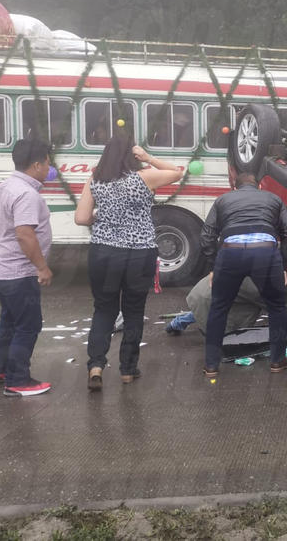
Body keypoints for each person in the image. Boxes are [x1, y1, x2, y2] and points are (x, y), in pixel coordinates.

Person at [74, 132, 183, 391]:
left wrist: (101, 218)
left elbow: (81, 218)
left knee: (104, 310)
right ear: (131, 155)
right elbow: (177, 172)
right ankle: (127, 370)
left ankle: (96, 366)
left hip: (103, 252)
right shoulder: (144, 178)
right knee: (133, 311)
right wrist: (147, 157)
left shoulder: (95, 180)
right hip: (139, 253)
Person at [200, 163, 287, 376]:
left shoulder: (223, 200)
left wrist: (215, 265)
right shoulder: (273, 199)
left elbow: (207, 235)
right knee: (276, 307)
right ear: (259, 186)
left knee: (219, 308)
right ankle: (277, 361)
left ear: (235, 188)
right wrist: (282, 264)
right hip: (265, 253)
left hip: (231, 252)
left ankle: (211, 365)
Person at [0, 138, 55, 397]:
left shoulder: (5, 186)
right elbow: (25, 234)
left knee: (9, 321)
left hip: (1, 268)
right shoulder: (26, 193)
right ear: (37, 164)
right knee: (28, 325)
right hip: (18, 272)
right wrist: (42, 267)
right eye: (47, 162)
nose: (49, 167)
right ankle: (18, 380)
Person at [165, 275, 287, 335]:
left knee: (213, 308)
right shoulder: (254, 286)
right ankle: (179, 324)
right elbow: (274, 306)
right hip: (209, 300)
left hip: (204, 293)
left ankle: (176, 323)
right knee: (231, 320)